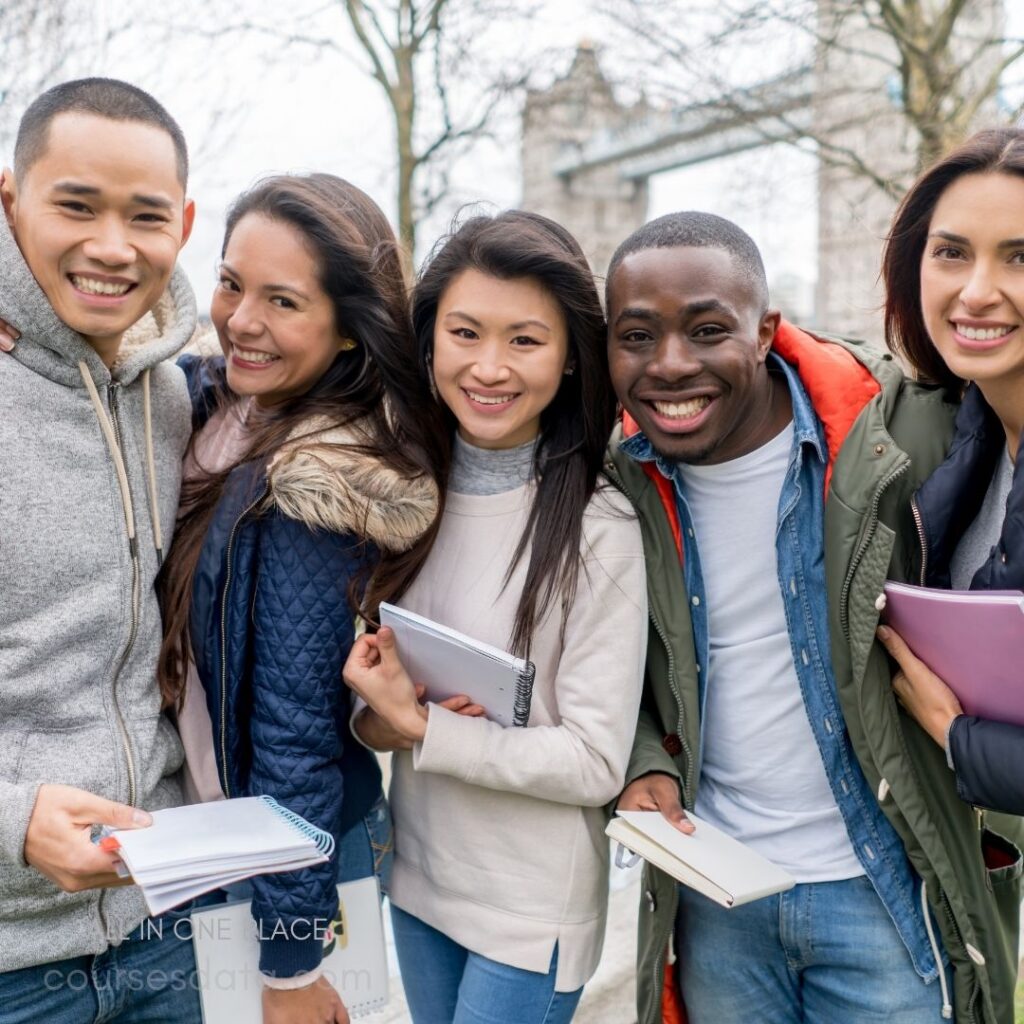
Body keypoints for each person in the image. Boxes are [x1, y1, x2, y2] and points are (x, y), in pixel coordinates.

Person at [606, 211, 1021, 1024]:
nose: (672, 365)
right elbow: (615, 664)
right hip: (718, 895)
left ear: (765, 331)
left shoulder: (901, 432)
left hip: (882, 893)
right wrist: (642, 757)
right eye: (636, 336)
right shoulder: (616, 483)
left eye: (707, 329)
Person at [156, 174, 448, 1024]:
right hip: (221, 833)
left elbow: (294, 733)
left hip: (295, 852)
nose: (242, 318)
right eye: (231, 282)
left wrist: (290, 958)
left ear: (349, 331)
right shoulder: (215, 411)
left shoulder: (318, 485)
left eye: (283, 301)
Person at [342, 210, 647, 1024]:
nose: (488, 367)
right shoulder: (402, 500)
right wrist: (383, 717)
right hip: (418, 877)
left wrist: (428, 734)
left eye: (525, 340)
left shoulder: (599, 525)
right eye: (466, 332)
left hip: (529, 908)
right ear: (429, 340)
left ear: (573, 356)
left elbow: (593, 762)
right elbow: (383, 714)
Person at [0, 79, 203, 1022]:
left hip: (164, 925)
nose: (113, 246)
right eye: (76, 205)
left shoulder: (168, 400)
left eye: (145, 216)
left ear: (185, 225)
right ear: (11, 201)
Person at [876, 127, 1024, 819]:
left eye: (1020, 258)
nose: (977, 291)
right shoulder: (969, 439)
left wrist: (954, 735)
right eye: (951, 253)